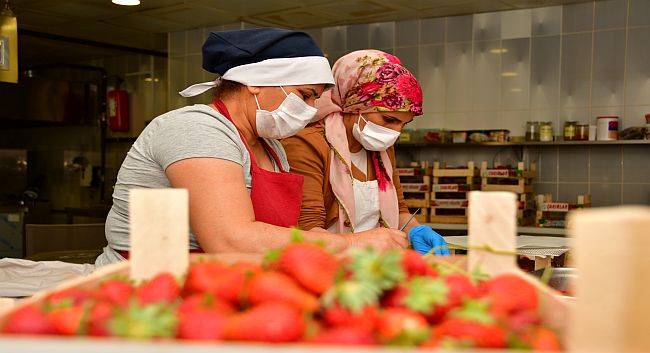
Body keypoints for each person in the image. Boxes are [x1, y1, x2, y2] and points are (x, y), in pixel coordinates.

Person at [96, 30, 407, 266]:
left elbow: (280, 234)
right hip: (145, 279)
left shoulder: (272, 147)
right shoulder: (196, 128)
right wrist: (352, 245)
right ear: (256, 81)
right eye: (306, 94)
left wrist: (327, 242)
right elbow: (230, 240)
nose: (312, 109)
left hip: (221, 279)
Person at [282, 50, 449, 255]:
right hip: (326, 265)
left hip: (375, 266)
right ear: (354, 105)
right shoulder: (307, 143)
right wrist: (358, 242)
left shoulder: (381, 149)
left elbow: (400, 210)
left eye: (404, 124)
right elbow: (308, 229)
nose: (395, 132)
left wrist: (417, 230)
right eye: (389, 120)